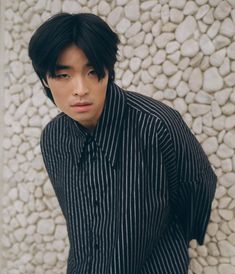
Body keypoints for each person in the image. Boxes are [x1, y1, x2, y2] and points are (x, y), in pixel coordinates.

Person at [28, 12, 217, 274]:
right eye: (63, 75)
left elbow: (197, 186)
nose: (80, 88)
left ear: (108, 71)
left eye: (93, 71)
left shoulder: (156, 124)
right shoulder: (53, 139)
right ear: (45, 80)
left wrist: (175, 239)